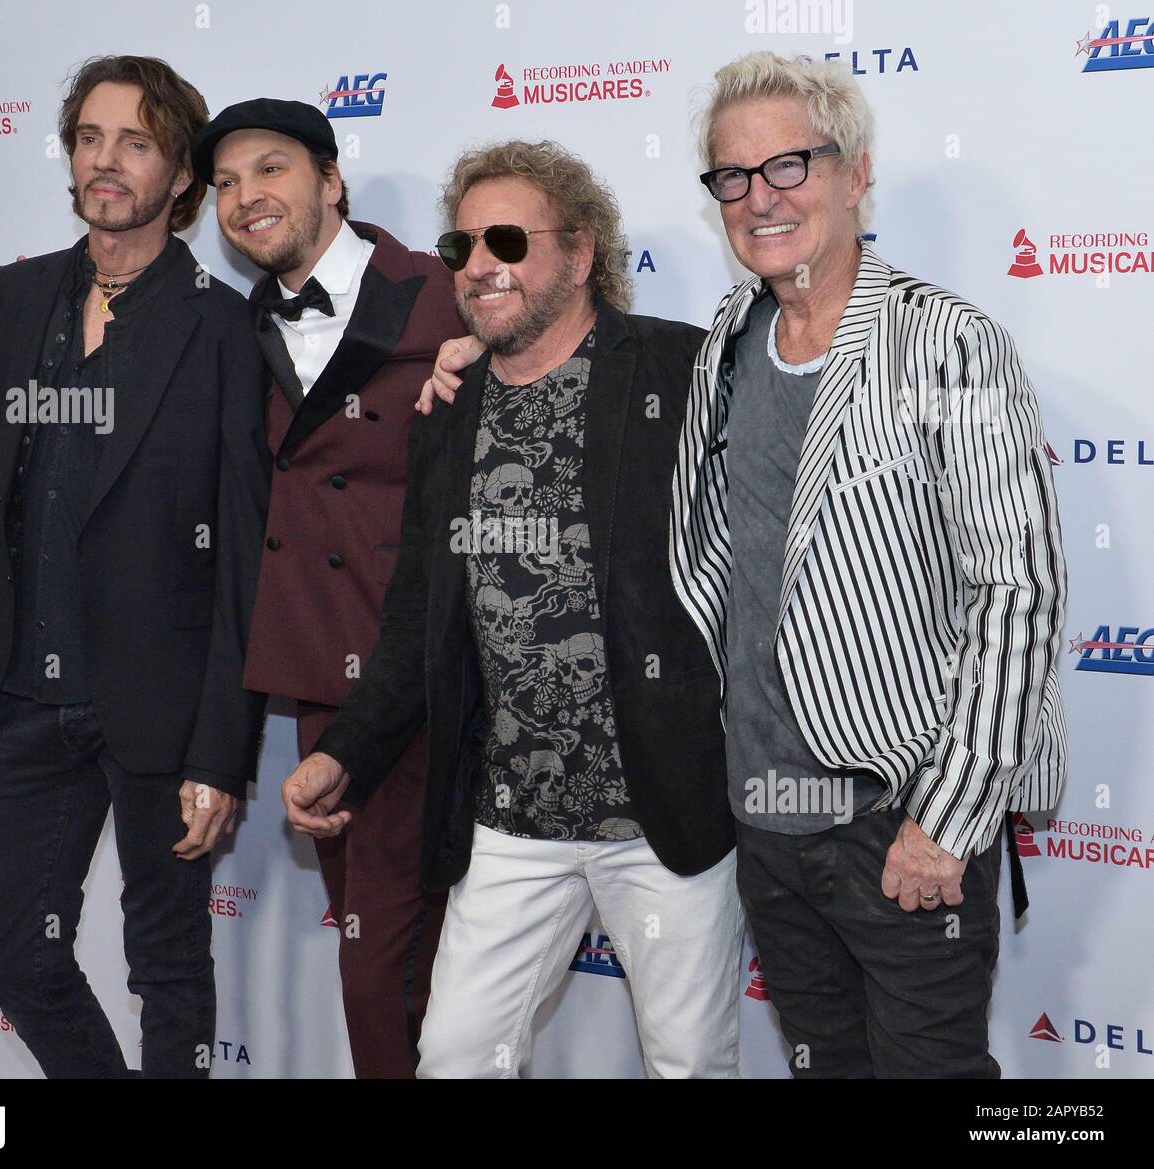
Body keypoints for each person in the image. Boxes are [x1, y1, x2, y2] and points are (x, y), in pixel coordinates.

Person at [283, 140, 741, 1079]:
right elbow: (418, 613)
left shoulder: (678, 369)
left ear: (578, 251)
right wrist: (344, 751)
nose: (479, 265)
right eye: (459, 247)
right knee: (453, 1057)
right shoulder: (449, 404)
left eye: (504, 240)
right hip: (511, 818)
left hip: (661, 813)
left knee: (690, 1063)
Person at [669, 51, 1067, 1077]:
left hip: (897, 815)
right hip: (766, 817)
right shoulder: (726, 337)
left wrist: (947, 818)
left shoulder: (949, 344)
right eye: (733, 176)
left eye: (790, 165)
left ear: (855, 172)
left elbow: (1013, 591)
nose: (761, 199)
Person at [0, 55, 270, 1078]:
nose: (104, 161)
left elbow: (242, 545)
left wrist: (223, 746)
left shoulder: (220, 321)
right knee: (14, 958)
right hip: (30, 697)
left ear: (180, 176)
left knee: (168, 966)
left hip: (160, 703)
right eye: (88, 137)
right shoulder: (21, 293)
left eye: (134, 142)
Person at [189, 99, 462, 1078]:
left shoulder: (443, 292)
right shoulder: (230, 325)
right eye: (223, 185)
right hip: (319, 681)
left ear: (331, 181)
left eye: (270, 170)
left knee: (385, 958)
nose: (244, 198)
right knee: (387, 949)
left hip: (434, 674)